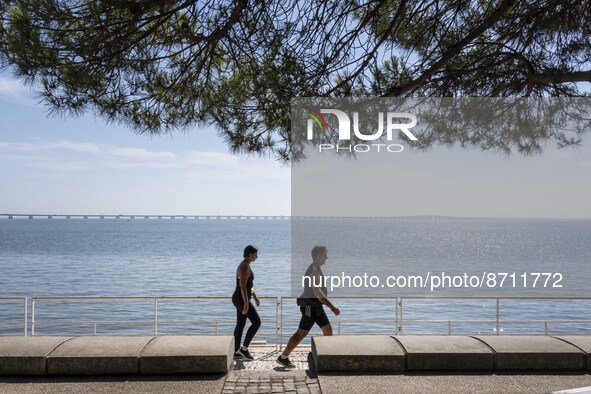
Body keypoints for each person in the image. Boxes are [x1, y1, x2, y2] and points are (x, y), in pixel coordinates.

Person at [277, 245, 340, 368]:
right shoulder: (314, 270)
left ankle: (324, 357)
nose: (326, 258)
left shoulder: (316, 268)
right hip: (310, 306)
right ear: (319, 255)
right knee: (301, 333)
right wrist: (332, 307)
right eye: (325, 255)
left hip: (316, 306)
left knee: (327, 330)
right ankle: (283, 357)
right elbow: (317, 291)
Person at [232, 244, 261, 360]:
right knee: (257, 322)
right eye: (255, 254)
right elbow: (242, 286)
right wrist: (246, 303)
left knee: (240, 324)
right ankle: (244, 349)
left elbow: (249, 286)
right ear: (250, 254)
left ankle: (236, 351)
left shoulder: (246, 265)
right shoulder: (244, 266)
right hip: (240, 299)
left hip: (242, 298)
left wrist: (255, 297)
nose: (257, 257)